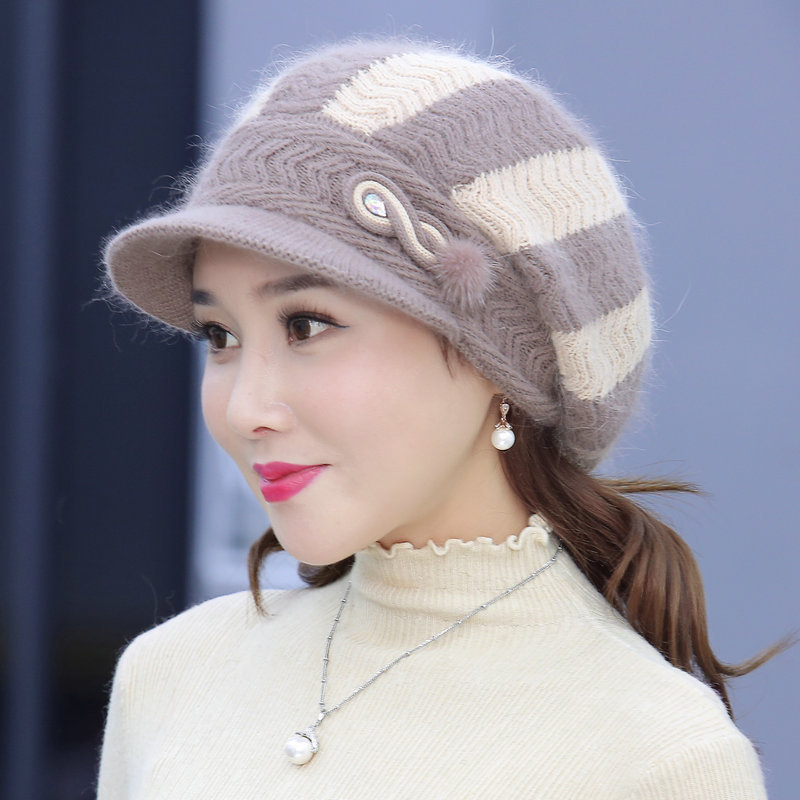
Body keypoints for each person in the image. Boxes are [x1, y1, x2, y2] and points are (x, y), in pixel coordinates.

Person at [97, 38, 775, 798]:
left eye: (306, 325)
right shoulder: (171, 676)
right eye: (220, 337)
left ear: (497, 360)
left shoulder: (657, 756)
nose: (245, 408)